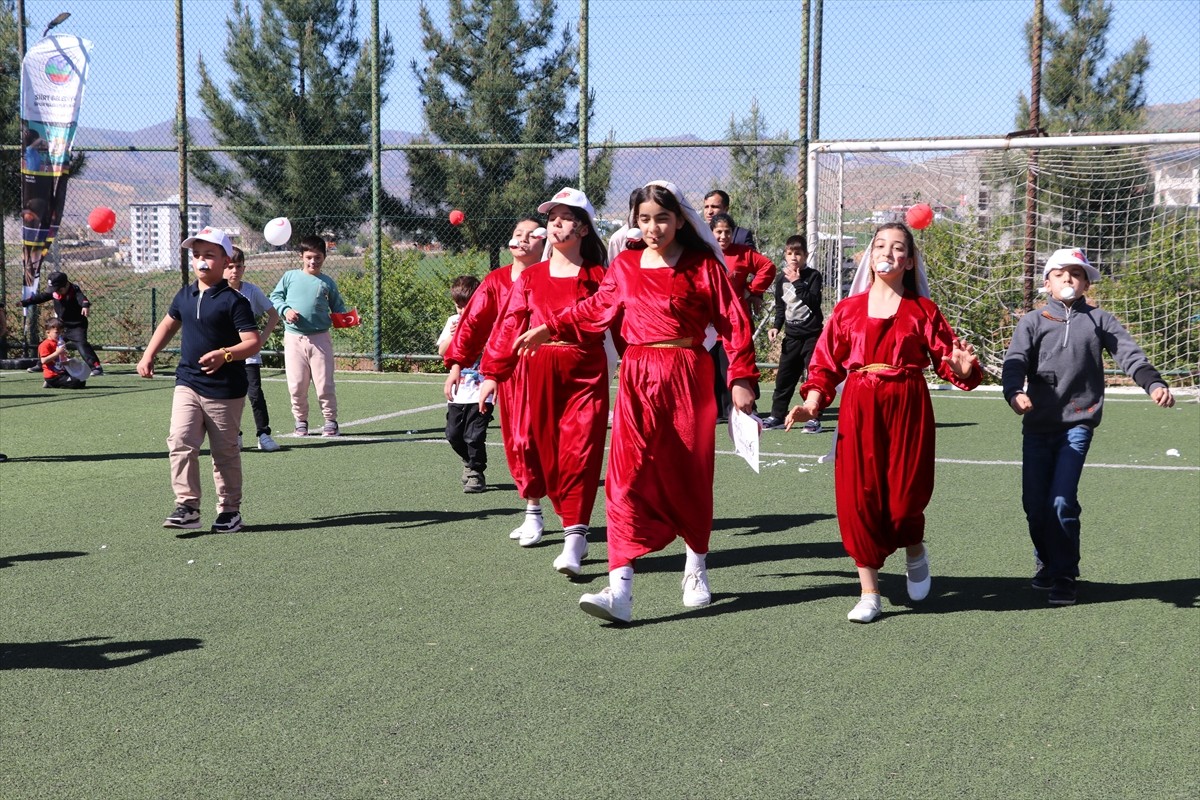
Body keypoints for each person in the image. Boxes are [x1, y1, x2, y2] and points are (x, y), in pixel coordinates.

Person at [514, 180, 759, 624]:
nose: (652, 227)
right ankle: (620, 588)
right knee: (624, 478)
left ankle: (696, 565)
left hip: (688, 376)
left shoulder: (704, 265)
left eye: (661, 218)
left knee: (689, 473)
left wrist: (741, 377)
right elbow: (595, 310)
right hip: (637, 378)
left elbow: (735, 323)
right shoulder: (624, 265)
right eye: (644, 219)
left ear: (680, 219)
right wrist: (551, 326)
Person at [785, 222, 981, 624]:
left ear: (909, 261)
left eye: (897, 247)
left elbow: (951, 363)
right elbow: (824, 365)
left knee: (905, 498)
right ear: (868, 255)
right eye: (880, 245)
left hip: (907, 403)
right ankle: (869, 591)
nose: (887, 252)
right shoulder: (847, 310)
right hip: (859, 406)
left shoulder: (922, 310)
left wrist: (962, 366)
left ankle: (914, 547)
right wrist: (812, 402)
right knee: (859, 497)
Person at [1001, 248, 1175, 607]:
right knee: (1035, 504)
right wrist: (1014, 393)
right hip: (1037, 427)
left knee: (1061, 500)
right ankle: (1047, 561)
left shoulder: (1100, 320)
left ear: (1085, 284)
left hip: (1077, 423)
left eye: (1076, 274)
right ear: (1046, 282)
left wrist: (1154, 384)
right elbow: (1014, 362)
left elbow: (1129, 355)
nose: (1069, 279)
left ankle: (1065, 574)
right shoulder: (1031, 322)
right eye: (1061, 273)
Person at [478, 188, 610, 577]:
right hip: (538, 369)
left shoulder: (601, 276)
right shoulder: (532, 277)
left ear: (584, 228)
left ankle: (575, 538)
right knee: (542, 451)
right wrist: (492, 373)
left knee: (581, 452)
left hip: (585, 369)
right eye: (552, 216)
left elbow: (622, 323)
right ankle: (541, 514)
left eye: (566, 217)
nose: (555, 222)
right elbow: (509, 324)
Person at [137, 227, 261, 533]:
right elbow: (168, 325)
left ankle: (230, 511)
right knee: (180, 441)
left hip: (225, 389)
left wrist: (225, 354)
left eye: (209, 255)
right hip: (188, 382)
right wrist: (148, 354)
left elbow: (253, 342)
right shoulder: (185, 294)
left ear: (225, 260)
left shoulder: (235, 301)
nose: (201, 261)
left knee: (224, 452)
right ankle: (188, 506)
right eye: (196, 255)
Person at [443, 218, 547, 541]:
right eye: (518, 234)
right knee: (520, 442)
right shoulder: (496, 281)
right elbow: (472, 322)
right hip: (509, 374)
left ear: (545, 244)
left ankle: (575, 525)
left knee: (557, 445)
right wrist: (458, 361)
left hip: (548, 369)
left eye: (532, 235)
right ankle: (534, 513)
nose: (523, 239)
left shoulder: (551, 277)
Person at [270, 235, 346, 437]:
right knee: (296, 384)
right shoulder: (289, 277)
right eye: (309, 257)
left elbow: (338, 308)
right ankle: (300, 420)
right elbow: (275, 297)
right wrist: (285, 310)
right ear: (301, 256)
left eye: (318, 257)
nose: (313, 261)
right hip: (294, 339)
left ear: (324, 257)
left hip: (320, 339)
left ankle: (330, 421)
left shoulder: (327, 282)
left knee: (324, 384)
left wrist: (349, 319)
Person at [709, 212, 776, 420]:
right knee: (713, 370)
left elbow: (768, 267)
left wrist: (752, 290)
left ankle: (745, 409)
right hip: (710, 325)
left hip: (735, 323)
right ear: (711, 233)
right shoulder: (705, 254)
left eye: (727, 232)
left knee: (737, 366)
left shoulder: (743, 253)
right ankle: (717, 411)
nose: (723, 236)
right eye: (718, 232)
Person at [437, 275, 493, 494]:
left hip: (482, 390)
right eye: (458, 306)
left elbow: (493, 350)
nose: (461, 311)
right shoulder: (452, 322)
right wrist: (454, 336)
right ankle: (469, 462)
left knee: (474, 435)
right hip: (460, 389)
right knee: (453, 434)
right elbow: (443, 352)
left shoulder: (488, 321)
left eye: (466, 306)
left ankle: (476, 473)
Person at [761, 235, 823, 431]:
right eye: (790, 253)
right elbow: (781, 308)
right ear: (785, 256)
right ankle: (777, 415)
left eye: (798, 253)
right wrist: (775, 327)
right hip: (792, 336)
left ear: (805, 255)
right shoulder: (781, 279)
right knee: (784, 378)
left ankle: (813, 417)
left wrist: (797, 282)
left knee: (813, 377)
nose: (794, 257)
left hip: (812, 335)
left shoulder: (813, 276)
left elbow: (813, 302)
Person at [225, 247, 282, 452]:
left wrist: (260, 341)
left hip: (248, 355)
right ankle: (234, 435)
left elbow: (273, 316)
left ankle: (264, 434)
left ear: (244, 268)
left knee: (255, 393)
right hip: (226, 356)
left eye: (238, 266)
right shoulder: (216, 293)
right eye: (230, 266)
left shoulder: (252, 291)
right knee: (230, 396)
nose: (234, 271)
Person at [20, 270, 103, 376]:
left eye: (58, 289)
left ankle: (96, 367)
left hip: (76, 326)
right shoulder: (54, 292)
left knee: (81, 344)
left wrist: (85, 305)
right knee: (48, 344)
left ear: (66, 285)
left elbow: (82, 298)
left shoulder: (74, 290)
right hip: (62, 326)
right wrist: (25, 302)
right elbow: (41, 297)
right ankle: (41, 364)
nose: (55, 292)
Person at [38, 318, 86, 389]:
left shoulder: (59, 343)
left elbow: (61, 360)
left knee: (82, 380)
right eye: (57, 333)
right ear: (48, 332)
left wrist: (68, 359)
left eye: (61, 332)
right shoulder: (45, 345)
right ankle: (51, 383)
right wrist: (57, 352)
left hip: (61, 372)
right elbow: (43, 361)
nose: (59, 335)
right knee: (76, 382)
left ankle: (55, 384)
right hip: (53, 376)